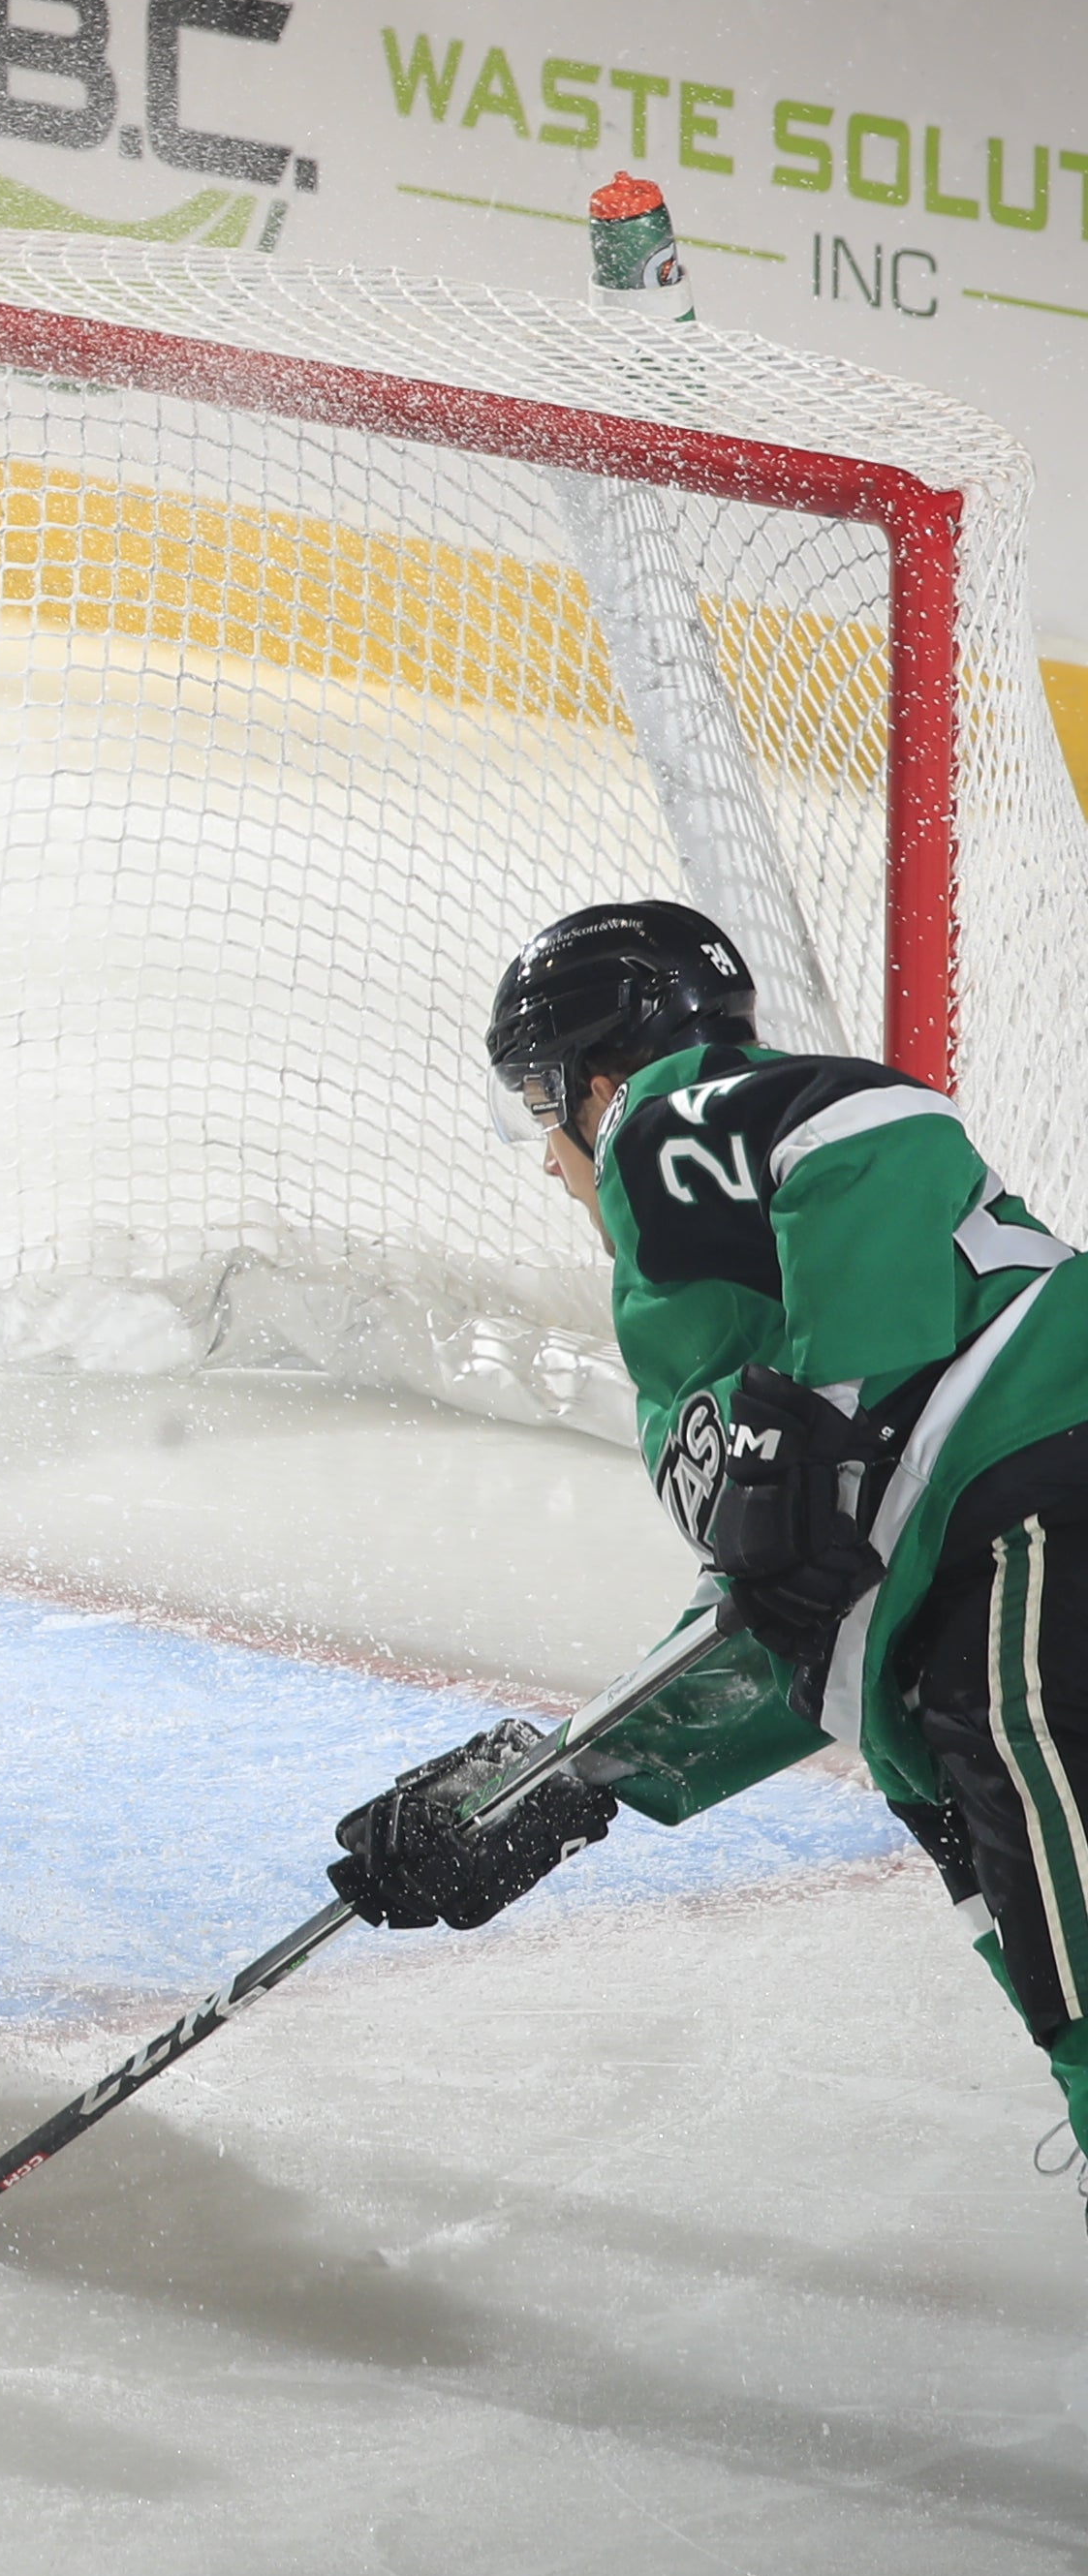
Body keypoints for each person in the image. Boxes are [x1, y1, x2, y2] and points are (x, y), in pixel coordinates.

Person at [367, 902, 1088, 2229]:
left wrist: (820, 1413)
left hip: (1046, 1484)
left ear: (595, 1078)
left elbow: (880, 1133)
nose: (548, 1161)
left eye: (540, 1108)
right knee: (1039, 1951)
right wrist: (570, 1780)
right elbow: (784, 1610)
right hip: (979, 1582)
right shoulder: (709, 1340)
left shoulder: (662, 1124)